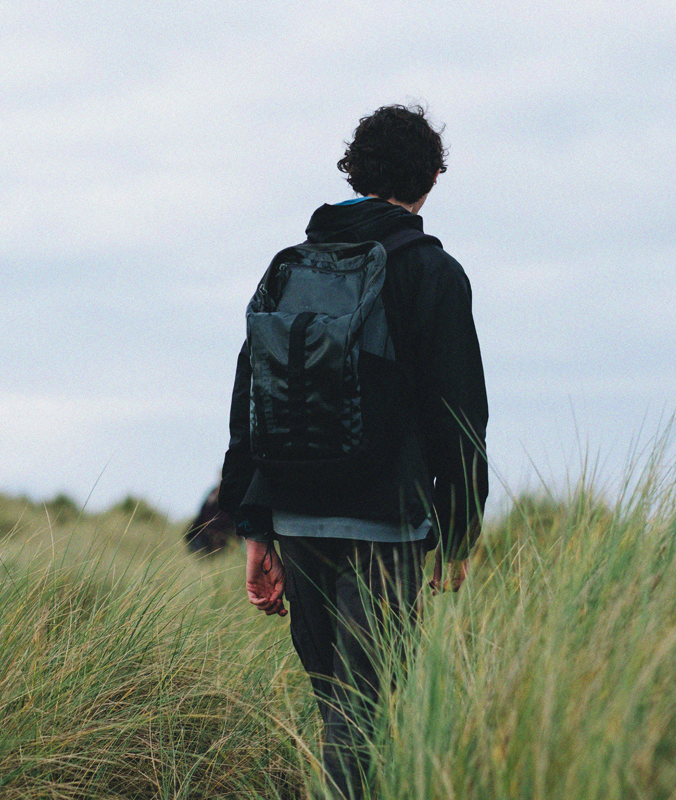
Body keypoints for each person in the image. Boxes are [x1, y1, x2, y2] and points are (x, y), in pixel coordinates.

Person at [218, 104, 488, 798]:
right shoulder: (433, 272)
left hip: (297, 519)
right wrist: (458, 532)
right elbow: (460, 414)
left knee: (336, 703)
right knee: (366, 712)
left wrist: (254, 529)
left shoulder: (291, 267)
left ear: (354, 170)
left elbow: (248, 404)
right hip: (384, 519)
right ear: (430, 179)